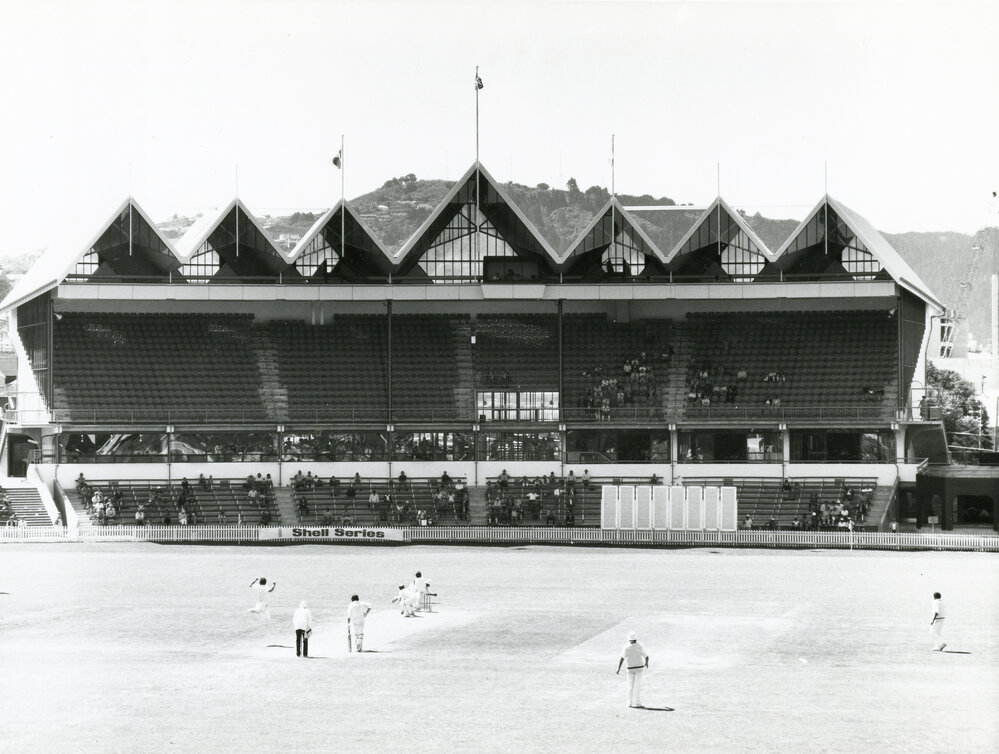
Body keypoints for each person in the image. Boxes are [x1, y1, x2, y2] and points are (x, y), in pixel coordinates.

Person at [616, 631, 650, 708]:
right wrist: (646, 663)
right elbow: (647, 656)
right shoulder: (640, 646)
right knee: (637, 686)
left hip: (629, 669)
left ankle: (629, 703)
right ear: (635, 639)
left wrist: (618, 669)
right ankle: (637, 703)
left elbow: (622, 659)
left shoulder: (626, 647)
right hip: (639, 668)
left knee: (630, 686)